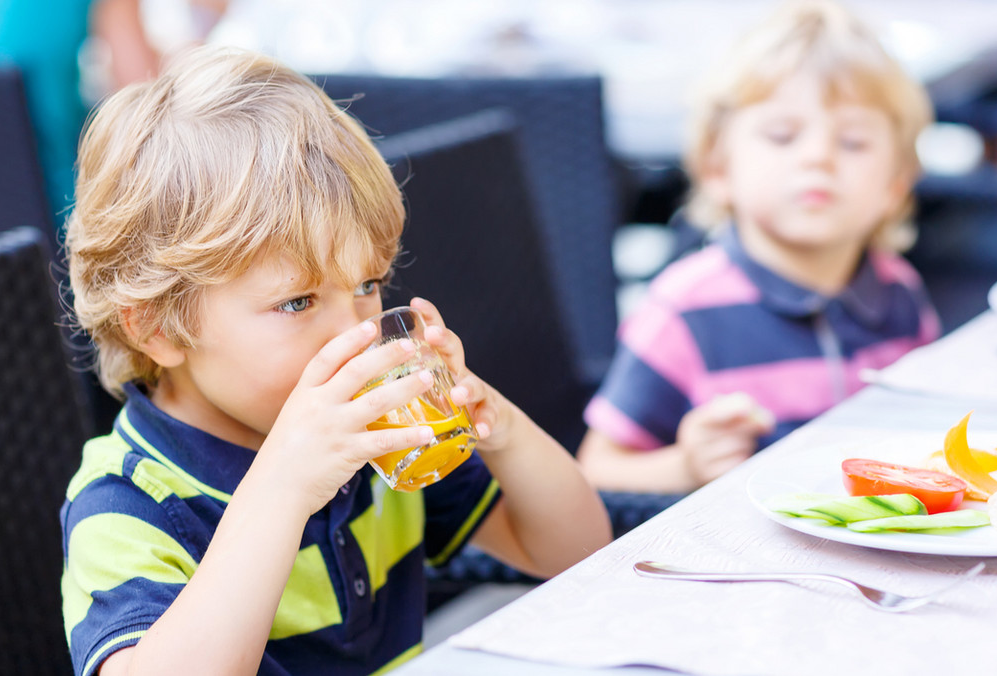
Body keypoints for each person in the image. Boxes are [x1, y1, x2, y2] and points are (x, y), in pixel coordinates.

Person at [58, 46, 610, 675]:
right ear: (158, 328)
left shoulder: (380, 439)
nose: (355, 331)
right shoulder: (129, 503)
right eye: (297, 302)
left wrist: (499, 427)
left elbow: (577, 549)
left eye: (366, 285)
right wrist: (286, 486)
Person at [577, 0, 941, 494]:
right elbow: (595, 468)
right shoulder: (683, 310)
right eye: (782, 135)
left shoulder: (900, 290)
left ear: (896, 182)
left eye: (853, 142)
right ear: (718, 168)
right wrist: (684, 467)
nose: (818, 157)